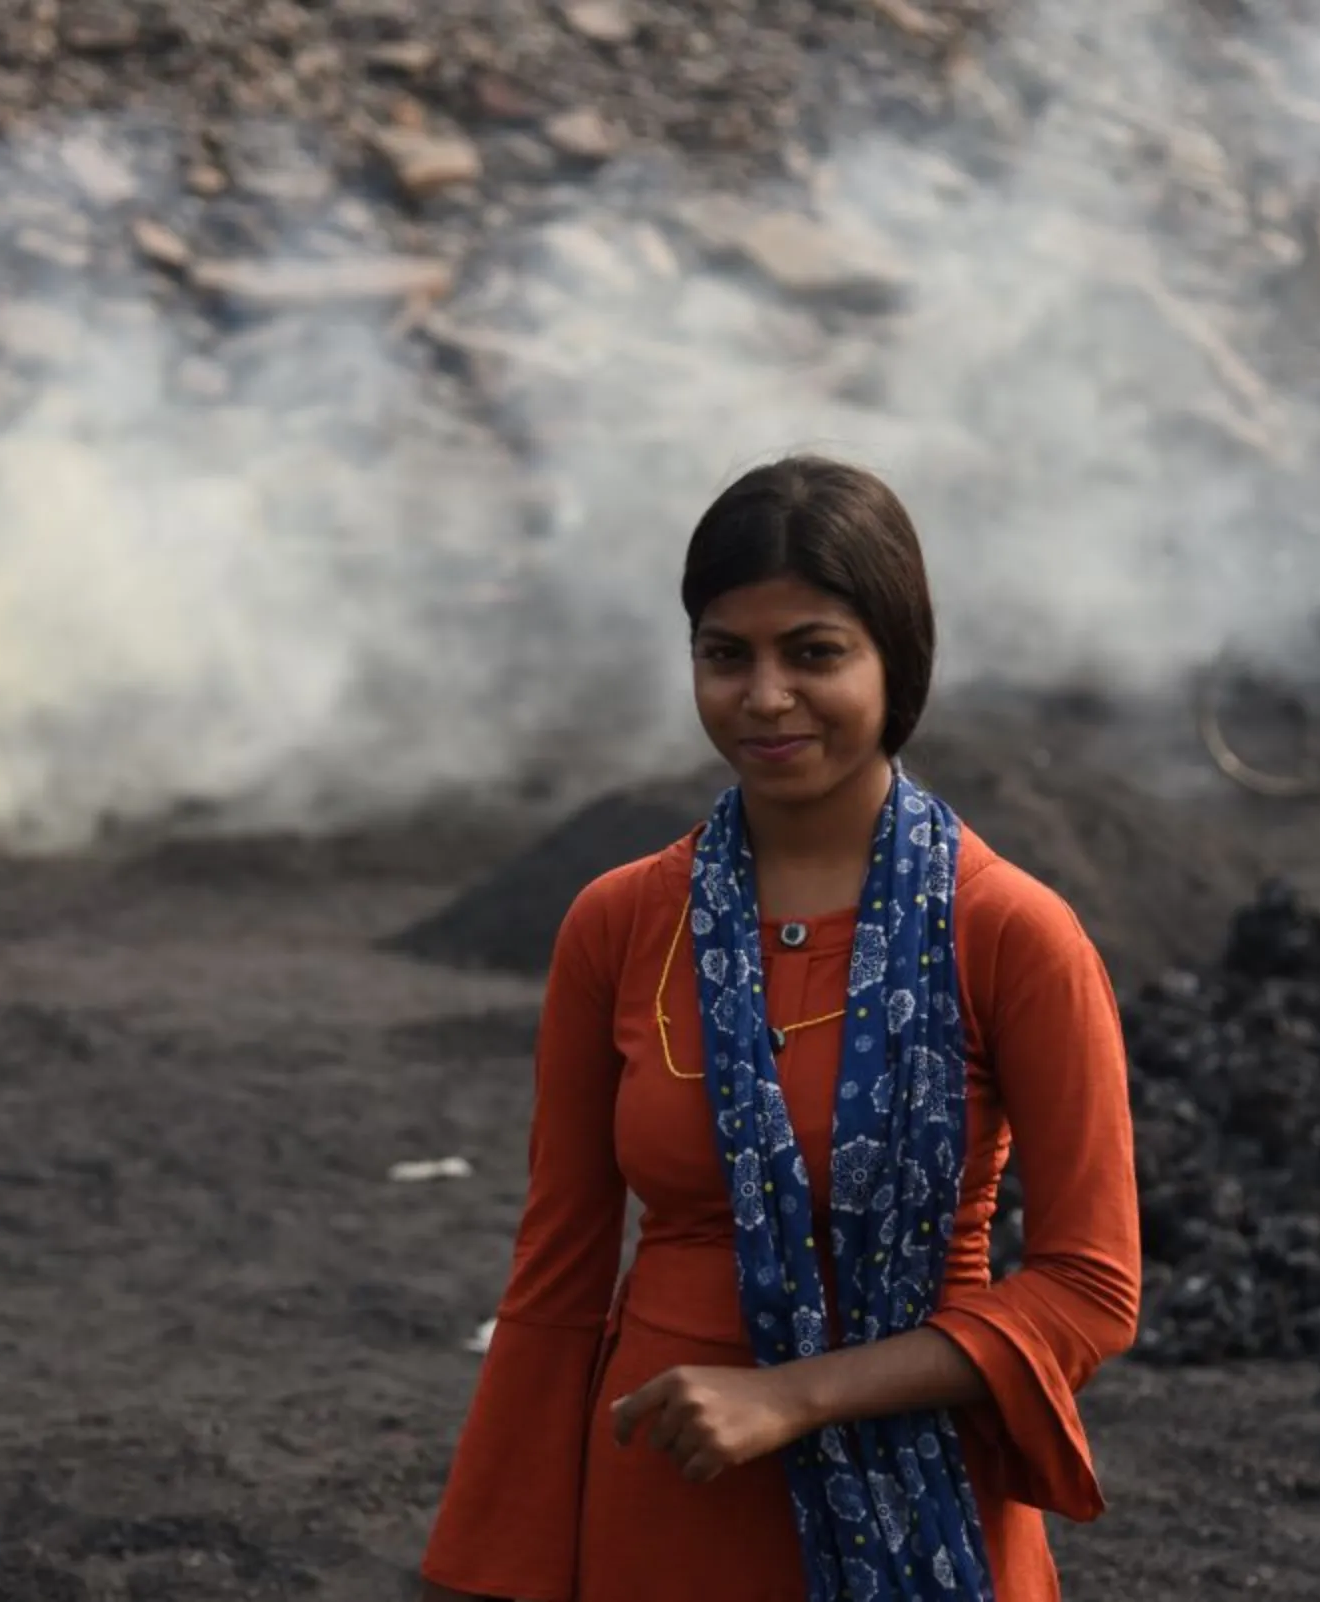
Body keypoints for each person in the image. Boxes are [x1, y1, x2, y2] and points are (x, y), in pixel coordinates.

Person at [419, 457, 1141, 1602]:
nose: (764, 697)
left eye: (813, 652)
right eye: (725, 655)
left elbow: (1088, 1293)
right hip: (664, 1504)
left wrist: (793, 1395)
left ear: (897, 660)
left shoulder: (1010, 935)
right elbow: (554, 1281)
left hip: (928, 1503)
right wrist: (482, 1567)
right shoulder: (618, 926)